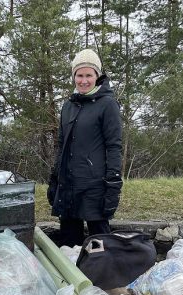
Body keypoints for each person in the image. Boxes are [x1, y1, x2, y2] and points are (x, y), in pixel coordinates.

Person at [47, 48, 123, 247]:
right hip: (69, 185)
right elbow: (62, 146)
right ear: (73, 76)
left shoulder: (108, 105)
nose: (83, 80)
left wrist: (113, 185)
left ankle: (104, 278)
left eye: (89, 75)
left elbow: (114, 147)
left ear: (97, 76)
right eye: (79, 75)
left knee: (101, 246)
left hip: (95, 186)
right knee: (68, 246)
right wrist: (55, 179)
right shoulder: (68, 106)